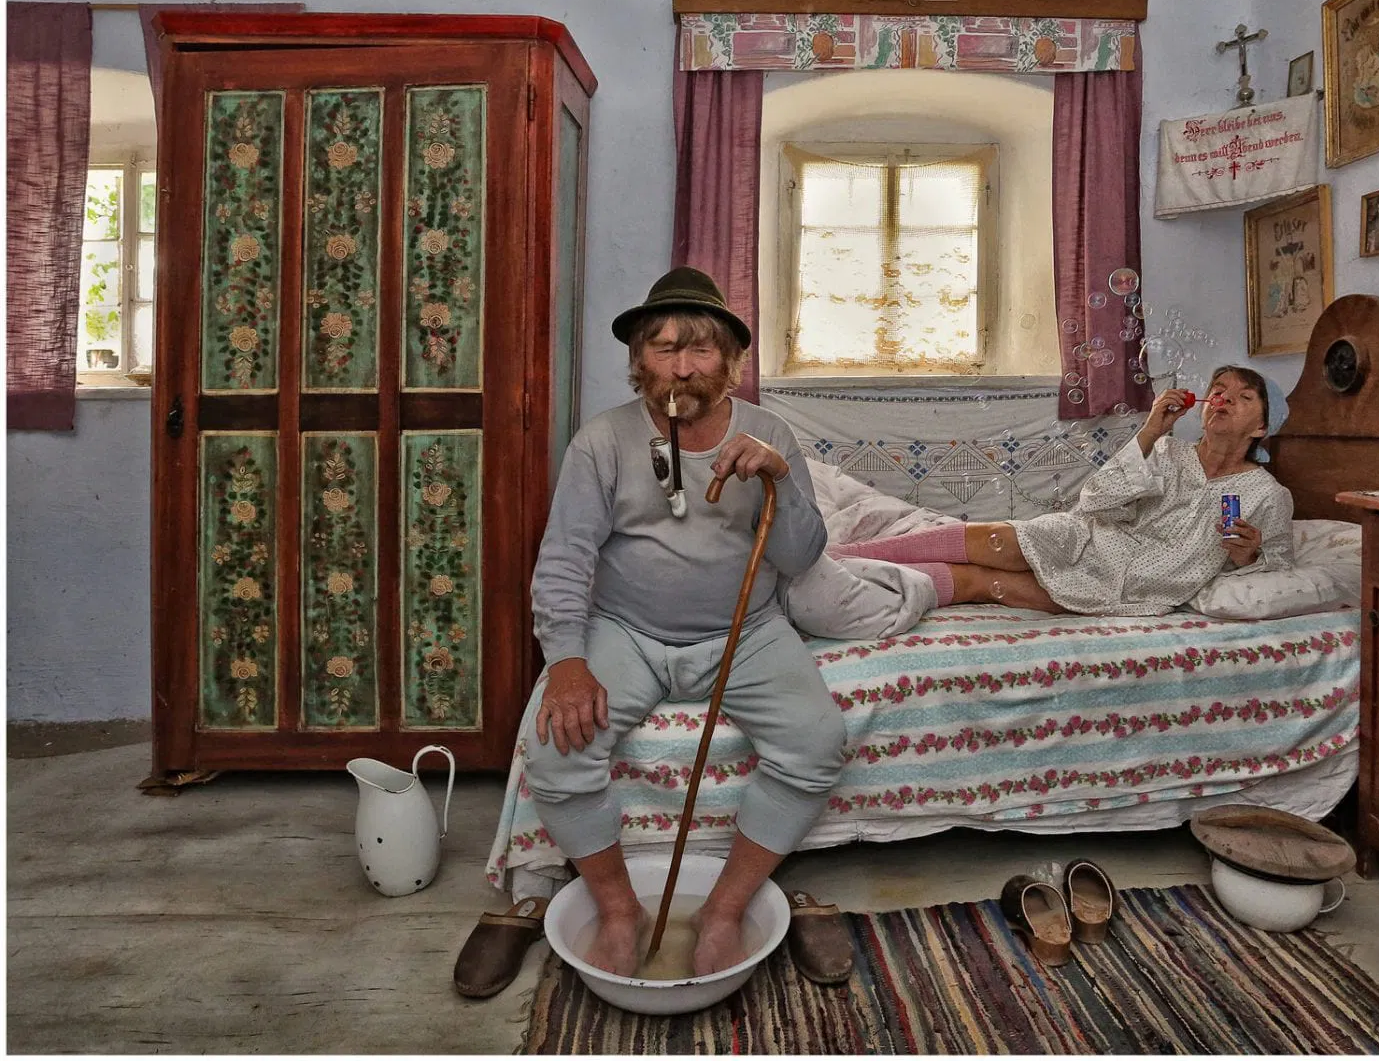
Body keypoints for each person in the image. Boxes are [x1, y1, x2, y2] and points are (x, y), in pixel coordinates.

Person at [523, 267, 842, 978]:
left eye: (700, 348)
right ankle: (617, 910)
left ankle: (725, 910)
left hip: (745, 634)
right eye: (664, 348)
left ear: (731, 362)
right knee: (553, 752)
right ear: (639, 360)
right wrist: (566, 661)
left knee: (818, 744)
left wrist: (777, 478)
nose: (683, 367)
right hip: (625, 631)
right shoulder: (602, 441)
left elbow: (800, 557)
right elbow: (566, 555)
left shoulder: (770, 433)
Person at [830, 365, 1295, 616]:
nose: (1223, 399)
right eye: (1219, 389)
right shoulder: (1166, 450)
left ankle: (840, 580)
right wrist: (1150, 431)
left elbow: (1279, 571)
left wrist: (1250, 556)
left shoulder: (1266, 494)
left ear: (1262, 427)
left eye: (1243, 397)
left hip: (1133, 587)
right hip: (1090, 537)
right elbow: (1094, 501)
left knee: (979, 583)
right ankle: (835, 558)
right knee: (992, 536)